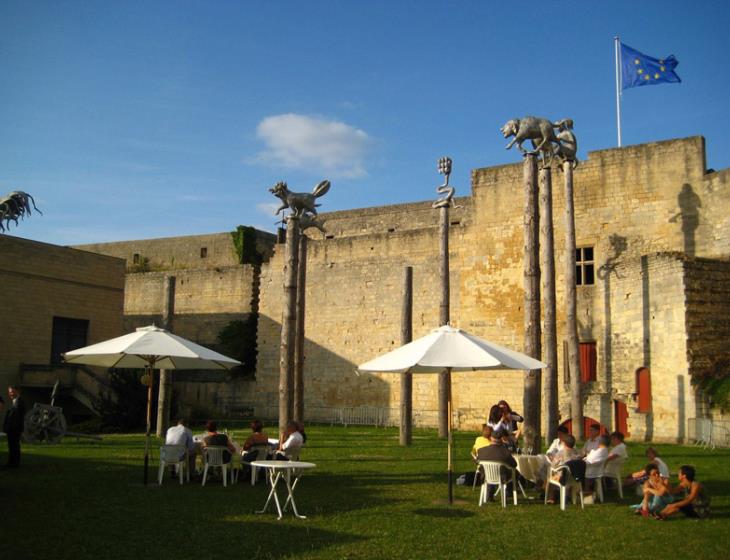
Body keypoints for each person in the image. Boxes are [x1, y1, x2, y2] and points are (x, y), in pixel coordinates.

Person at [476, 428, 518, 500]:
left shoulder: (481, 451)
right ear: (501, 439)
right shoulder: (505, 452)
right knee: (515, 472)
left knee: (488, 471)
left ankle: (489, 495)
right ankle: (508, 493)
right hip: (502, 477)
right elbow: (514, 464)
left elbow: (477, 461)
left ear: (491, 438)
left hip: (486, 476)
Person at [545, 434, 580, 504]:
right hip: (575, 477)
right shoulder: (576, 452)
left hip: (563, 477)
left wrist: (552, 460)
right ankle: (568, 495)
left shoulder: (561, 453)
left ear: (564, 443)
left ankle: (551, 498)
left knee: (549, 477)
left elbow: (554, 465)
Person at [3, 386, 26, 469]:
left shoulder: (19, 402)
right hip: (12, 429)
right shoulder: (15, 401)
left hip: (14, 430)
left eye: (12, 392)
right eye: (9, 392)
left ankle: (14, 464)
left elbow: (16, 418)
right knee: (12, 447)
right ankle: (11, 463)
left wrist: (12, 429)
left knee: (14, 447)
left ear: (17, 391)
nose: (10, 394)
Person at [583, 435, 609, 503]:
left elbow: (588, 461)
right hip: (596, 471)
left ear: (599, 442)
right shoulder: (604, 450)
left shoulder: (599, 452)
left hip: (590, 472)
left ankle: (584, 495)